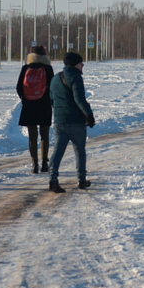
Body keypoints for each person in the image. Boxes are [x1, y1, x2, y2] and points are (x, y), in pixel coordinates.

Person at [49, 51, 95, 193]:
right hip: (75, 122)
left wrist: (59, 114)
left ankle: (53, 180)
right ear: (75, 64)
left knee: (58, 151)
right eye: (81, 63)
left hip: (59, 122)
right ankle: (81, 180)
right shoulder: (76, 77)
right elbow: (79, 99)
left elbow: (52, 99)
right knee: (79, 150)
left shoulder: (55, 78)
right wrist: (89, 115)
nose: (83, 65)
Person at [17, 45, 55, 174]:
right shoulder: (48, 68)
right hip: (44, 105)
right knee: (45, 135)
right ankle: (45, 163)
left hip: (29, 106)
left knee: (32, 136)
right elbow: (53, 87)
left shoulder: (25, 68)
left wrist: (25, 99)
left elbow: (18, 87)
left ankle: (34, 164)